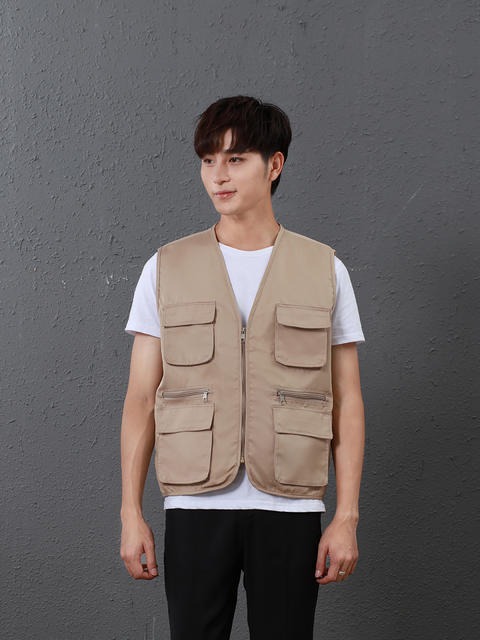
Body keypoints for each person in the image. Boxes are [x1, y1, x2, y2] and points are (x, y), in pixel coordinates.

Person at [120, 95, 365, 640]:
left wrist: (345, 517)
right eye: (208, 160)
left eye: (235, 159)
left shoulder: (325, 269)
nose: (218, 175)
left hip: (291, 506)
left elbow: (347, 401)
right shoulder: (165, 267)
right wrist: (130, 513)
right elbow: (141, 398)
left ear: (274, 165)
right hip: (194, 504)